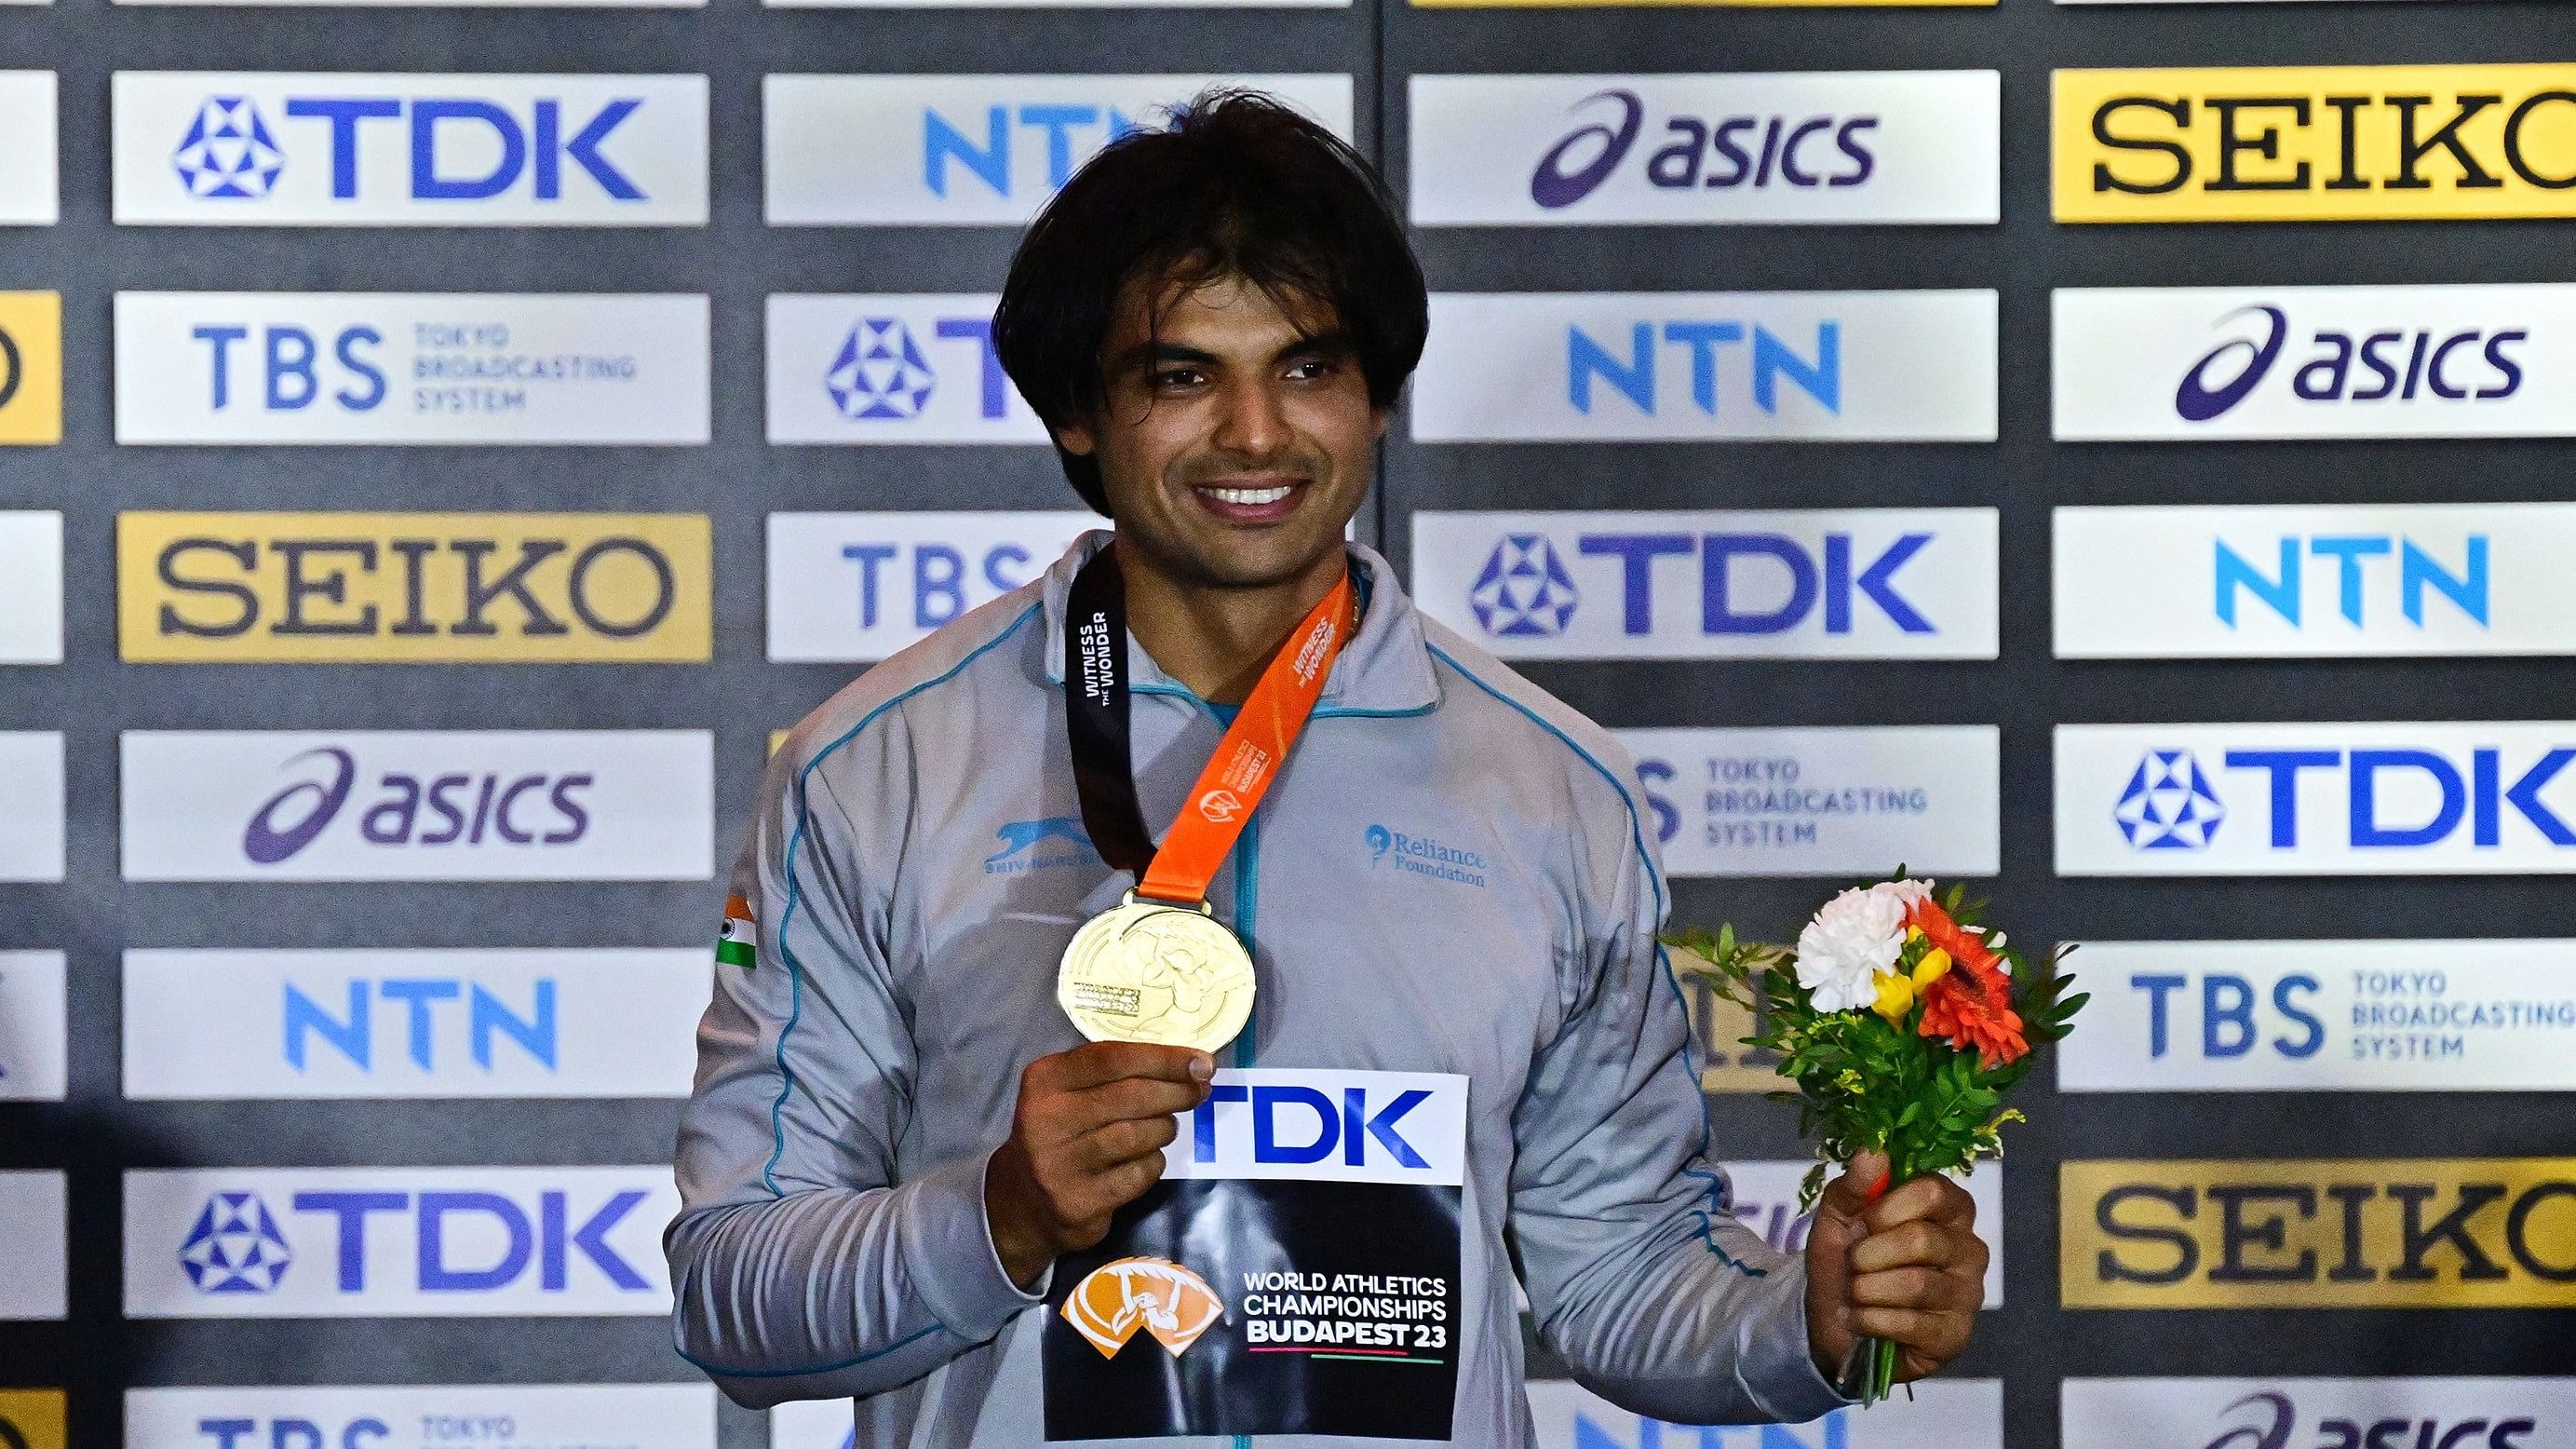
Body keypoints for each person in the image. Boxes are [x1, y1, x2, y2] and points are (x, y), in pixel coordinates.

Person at [667, 88, 1988, 1446]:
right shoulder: (870, 772)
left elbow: (1620, 1275)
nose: (1255, 434)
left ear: (1376, 399)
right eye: (1183, 376)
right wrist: (993, 1216)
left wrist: (1811, 1326)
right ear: (1077, 412)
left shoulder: (1551, 787)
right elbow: (731, 1291)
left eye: (1306, 368)